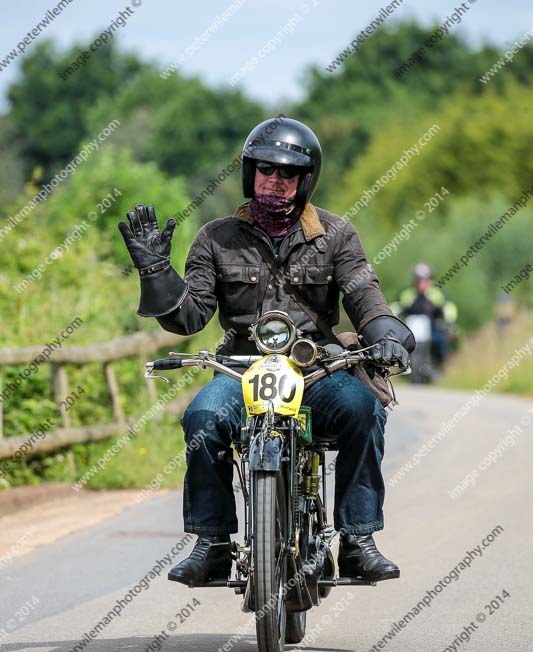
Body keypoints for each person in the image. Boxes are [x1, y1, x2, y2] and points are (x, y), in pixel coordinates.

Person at [118, 117, 415, 587]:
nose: (273, 182)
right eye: (264, 171)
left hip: (316, 370)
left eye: (286, 174)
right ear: (249, 173)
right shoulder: (215, 238)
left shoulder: (336, 235)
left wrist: (388, 334)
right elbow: (189, 316)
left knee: (363, 408)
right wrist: (157, 272)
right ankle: (212, 544)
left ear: (305, 179)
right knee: (203, 417)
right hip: (240, 371)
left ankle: (358, 541)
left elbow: (364, 296)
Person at [392, 263, 457, 367]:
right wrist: (391, 319)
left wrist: (449, 322)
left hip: (432, 328)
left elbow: (448, 308)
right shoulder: (407, 294)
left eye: (425, 280)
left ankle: (438, 365)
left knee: (441, 341)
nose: (421, 283)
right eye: (418, 280)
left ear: (430, 280)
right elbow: (396, 308)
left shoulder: (437, 294)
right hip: (412, 329)